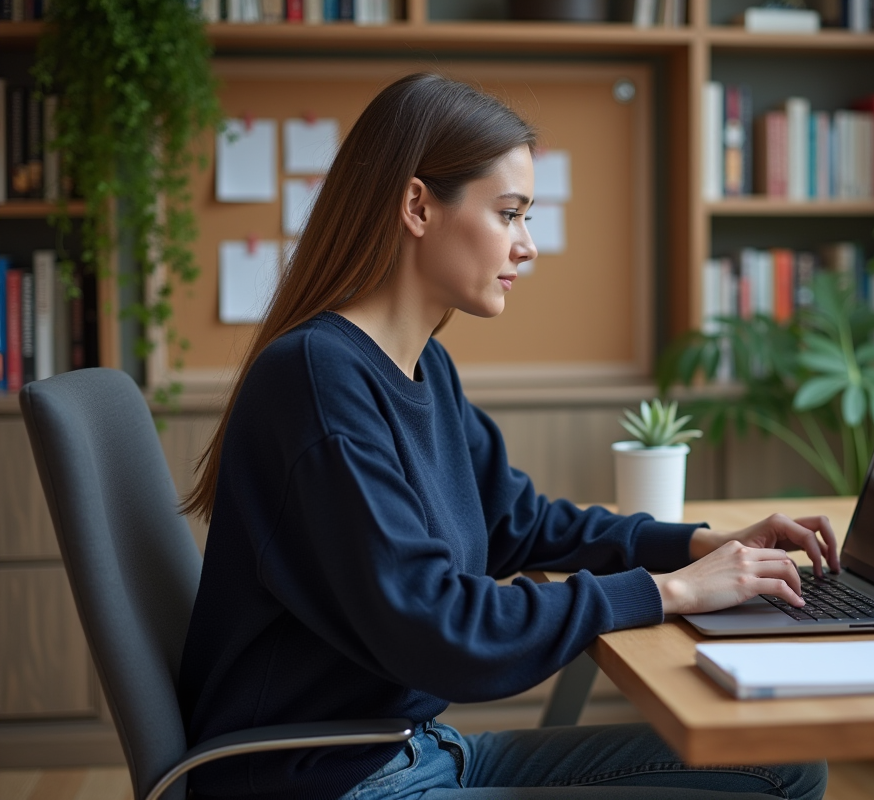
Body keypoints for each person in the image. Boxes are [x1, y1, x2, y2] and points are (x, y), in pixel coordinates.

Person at [179, 72, 840, 800]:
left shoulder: (423, 365)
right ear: (417, 206)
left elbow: (519, 523)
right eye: (509, 213)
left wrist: (693, 546)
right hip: (331, 780)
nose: (527, 246)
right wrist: (669, 591)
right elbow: (443, 631)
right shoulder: (316, 380)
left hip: (415, 750)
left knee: (784, 765)